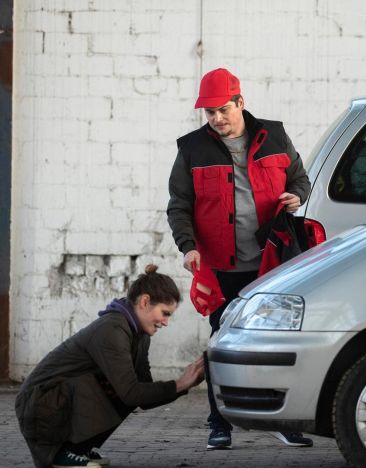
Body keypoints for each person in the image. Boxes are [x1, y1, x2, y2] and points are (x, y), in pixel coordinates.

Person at [167, 67, 313, 450]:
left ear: (240, 102)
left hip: (272, 264)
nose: (216, 119)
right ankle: (219, 423)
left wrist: (296, 195)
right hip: (220, 267)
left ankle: (283, 420)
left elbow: (301, 179)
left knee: (279, 343)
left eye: (222, 110)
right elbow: (179, 206)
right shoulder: (192, 148)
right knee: (222, 343)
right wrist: (188, 247)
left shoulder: (275, 135)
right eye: (208, 113)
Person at [15, 265, 205, 468]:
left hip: (51, 405)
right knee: (123, 388)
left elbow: (144, 397)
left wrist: (185, 384)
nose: (166, 322)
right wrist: (179, 384)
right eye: (165, 313)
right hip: (39, 409)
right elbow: (131, 393)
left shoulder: (139, 335)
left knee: (129, 388)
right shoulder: (112, 329)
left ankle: (79, 449)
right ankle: (61, 453)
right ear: (145, 301)